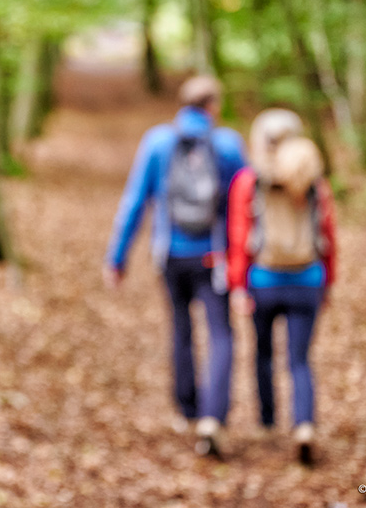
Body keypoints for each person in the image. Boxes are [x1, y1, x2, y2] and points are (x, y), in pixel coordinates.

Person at [104, 75, 247, 458]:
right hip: (213, 257)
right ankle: (213, 417)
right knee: (221, 335)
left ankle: (187, 408)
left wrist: (117, 258)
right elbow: (246, 205)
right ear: (213, 105)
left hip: (169, 254)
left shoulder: (157, 142)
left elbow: (135, 202)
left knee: (181, 329)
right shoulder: (229, 145)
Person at [226, 108, 336, 465]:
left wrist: (238, 284)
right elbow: (328, 235)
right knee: (300, 359)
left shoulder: (250, 181)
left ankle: (268, 419)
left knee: (262, 352)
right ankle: (303, 424)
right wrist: (328, 282)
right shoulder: (315, 182)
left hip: (264, 280)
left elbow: (240, 236)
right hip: (308, 280)